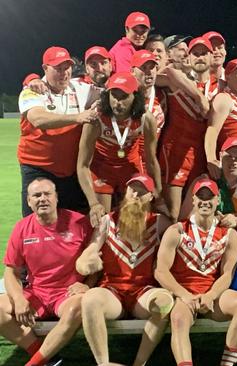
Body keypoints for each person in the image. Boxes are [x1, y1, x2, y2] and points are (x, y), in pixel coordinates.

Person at [75, 174, 173, 365]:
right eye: (132, 190)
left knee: (164, 302)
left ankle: (139, 363)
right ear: (125, 192)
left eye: (142, 191)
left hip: (143, 292)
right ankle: (104, 363)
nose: (136, 195)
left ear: (151, 197)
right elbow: (85, 257)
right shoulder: (108, 221)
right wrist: (87, 263)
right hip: (112, 291)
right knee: (90, 300)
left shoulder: (160, 222)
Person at [155, 178, 237, 366]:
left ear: (217, 200)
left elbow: (227, 274)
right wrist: (185, 295)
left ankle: (227, 364)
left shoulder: (229, 234)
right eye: (200, 196)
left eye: (210, 197)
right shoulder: (177, 230)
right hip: (184, 295)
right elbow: (161, 272)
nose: (205, 201)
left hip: (212, 294)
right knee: (178, 318)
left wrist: (211, 295)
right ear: (193, 199)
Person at [0, 178, 93, 365]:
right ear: (29, 201)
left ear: (56, 198)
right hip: (37, 293)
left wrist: (87, 284)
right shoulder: (22, 228)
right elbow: (11, 271)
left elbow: (97, 262)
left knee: (78, 308)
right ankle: (47, 357)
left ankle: (33, 363)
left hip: (68, 293)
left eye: (47, 194)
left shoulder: (80, 223)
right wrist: (18, 299)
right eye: (36, 195)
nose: (42, 199)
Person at [18, 46, 98, 216]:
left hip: (70, 170)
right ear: (45, 69)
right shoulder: (30, 91)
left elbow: (111, 92)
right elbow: (38, 119)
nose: (64, 73)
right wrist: (77, 117)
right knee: (39, 220)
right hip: (38, 168)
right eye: (57, 69)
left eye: (66, 67)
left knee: (73, 220)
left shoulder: (80, 88)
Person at [77, 72, 162, 227]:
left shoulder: (146, 118)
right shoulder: (95, 119)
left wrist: (158, 190)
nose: (117, 102)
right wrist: (93, 203)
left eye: (124, 97)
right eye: (114, 95)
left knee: (134, 221)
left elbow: (151, 159)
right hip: (102, 170)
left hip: (130, 169)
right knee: (102, 222)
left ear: (135, 97)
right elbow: (82, 165)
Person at [159, 37, 220, 221]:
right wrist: (198, 96)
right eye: (196, 54)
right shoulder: (178, 80)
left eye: (204, 54)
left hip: (203, 155)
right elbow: (164, 71)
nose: (200, 57)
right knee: (173, 214)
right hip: (175, 153)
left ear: (211, 57)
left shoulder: (221, 85)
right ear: (189, 57)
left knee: (199, 214)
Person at [131, 49, 167, 170]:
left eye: (152, 67)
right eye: (143, 68)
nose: (149, 72)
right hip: (129, 161)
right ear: (132, 71)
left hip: (152, 162)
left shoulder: (163, 95)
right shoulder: (125, 97)